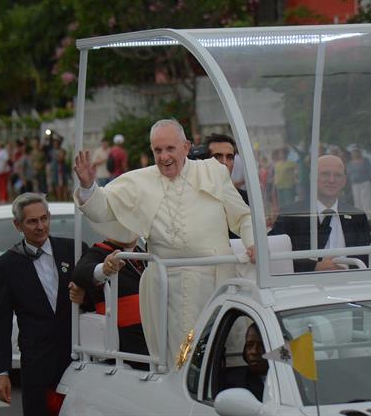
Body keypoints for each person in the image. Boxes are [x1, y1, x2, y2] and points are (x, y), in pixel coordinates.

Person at [73, 119, 254, 368]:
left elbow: (243, 216)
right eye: (157, 150)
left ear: (186, 147)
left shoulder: (213, 172)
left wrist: (252, 244)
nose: (164, 157)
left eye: (170, 149)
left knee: (216, 356)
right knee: (178, 360)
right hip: (168, 287)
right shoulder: (140, 181)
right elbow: (102, 209)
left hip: (214, 281)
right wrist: (87, 186)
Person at [0, 193, 85, 415]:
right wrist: (1, 372)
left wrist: (85, 294)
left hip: (76, 360)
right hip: (37, 366)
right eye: (32, 221)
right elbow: (1, 322)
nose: (41, 226)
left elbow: (97, 295)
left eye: (44, 218)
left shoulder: (74, 250)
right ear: (18, 225)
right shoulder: (7, 266)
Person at [271, 154, 371, 272]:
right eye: (325, 174)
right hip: (307, 287)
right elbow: (276, 255)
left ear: (344, 181)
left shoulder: (357, 217)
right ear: (312, 178)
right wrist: (314, 267)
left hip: (350, 286)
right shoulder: (291, 215)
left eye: (337, 175)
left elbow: (366, 259)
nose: (332, 180)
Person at [71, 221, 148, 361]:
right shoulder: (99, 252)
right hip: (126, 349)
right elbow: (80, 273)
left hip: (153, 339)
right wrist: (104, 270)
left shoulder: (144, 256)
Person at [222, 323, 268, 401]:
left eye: (261, 345)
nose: (254, 351)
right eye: (249, 345)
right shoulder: (236, 383)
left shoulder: (290, 378)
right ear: (244, 350)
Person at [204, 133, 248, 204]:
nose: (224, 162)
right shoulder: (195, 197)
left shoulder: (245, 199)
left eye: (229, 157)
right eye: (217, 157)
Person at [346, 144, 371, 221]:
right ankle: (359, 218)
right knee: (357, 201)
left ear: (359, 152)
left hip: (365, 183)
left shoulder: (365, 161)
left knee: (366, 201)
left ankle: (368, 218)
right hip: (354, 185)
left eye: (356, 151)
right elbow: (348, 175)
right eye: (353, 151)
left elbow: (370, 173)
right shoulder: (349, 163)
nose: (355, 153)